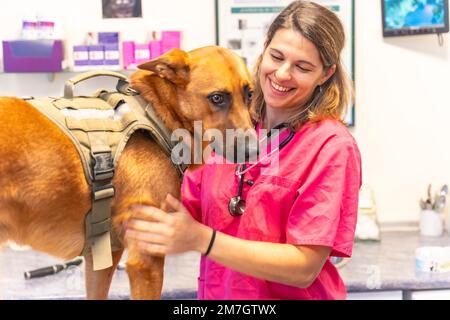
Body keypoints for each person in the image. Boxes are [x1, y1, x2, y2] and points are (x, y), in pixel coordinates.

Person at [125, 0, 362, 300]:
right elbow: (183, 206)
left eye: (302, 67)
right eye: (276, 57)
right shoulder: (223, 130)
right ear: (264, 50)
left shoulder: (331, 146)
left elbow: (304, 267)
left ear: (325, 74)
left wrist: (202, 240)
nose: (282, 74)